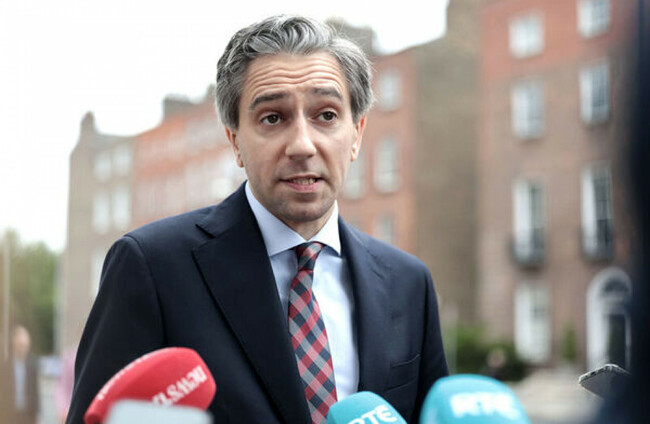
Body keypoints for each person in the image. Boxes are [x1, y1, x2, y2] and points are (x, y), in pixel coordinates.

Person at [66, 15, 448, 424]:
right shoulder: (152, 267)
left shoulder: (408, 283)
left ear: (357, 133)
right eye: (273, 118)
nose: (302, 145)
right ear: (235, 141)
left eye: (326, 115)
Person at [0, 325, 40, 424]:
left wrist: (37, 415)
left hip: (27, 415)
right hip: (9, 414)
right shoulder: (5, 365)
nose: (23, 348)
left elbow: (35, 392)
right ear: (14, 344)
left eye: (25, 345)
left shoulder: (32, 365)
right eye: (20, 345)